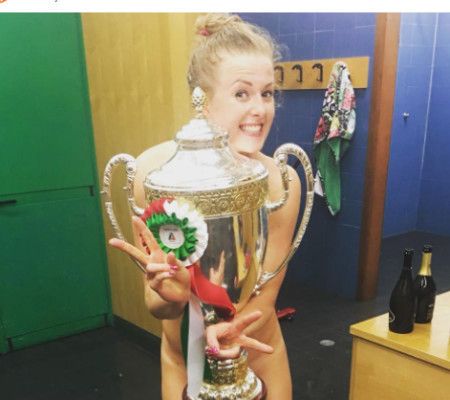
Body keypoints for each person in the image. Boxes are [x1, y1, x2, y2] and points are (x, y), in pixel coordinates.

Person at [109, 13, 300, 400]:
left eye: (267, 93)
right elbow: (156, 304)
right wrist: (171, 296)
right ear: (204, 100)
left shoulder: (282, 181)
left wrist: (225, 335)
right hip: (184, 363)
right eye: (242, 94)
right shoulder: (153, 173)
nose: (261, 109)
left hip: (257, 357)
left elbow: (264, 297)